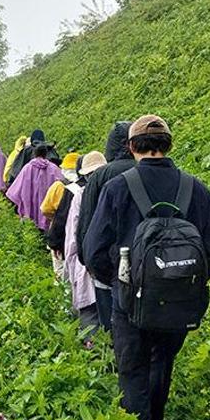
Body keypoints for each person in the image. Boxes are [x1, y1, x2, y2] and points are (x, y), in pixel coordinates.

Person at [84, 115, 210, 420]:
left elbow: (93, 251)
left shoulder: (117, 188)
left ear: (131, 147)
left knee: (132, 373)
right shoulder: (197, 190)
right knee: (162, 365)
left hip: (129, 303)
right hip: (179, 303)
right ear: (168, 145)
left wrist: (120, 283)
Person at [77, 120, 136, 329]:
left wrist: (89, 261)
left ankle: (113, 359)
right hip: (147, 266)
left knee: (112, 328)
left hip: (109, 267)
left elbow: (87, 223)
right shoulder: (147, 170)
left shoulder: (100, 176)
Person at [63, 151, 108, 346]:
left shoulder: (81, 195)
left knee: (90, 317)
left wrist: (69, 269)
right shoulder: (117, 189)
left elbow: (72, 237)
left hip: (86, 264)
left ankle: (93, 359)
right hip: (112, 268)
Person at [6, 144, 64, 231]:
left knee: (30, 230)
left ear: (34, 154)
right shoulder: (54, 168)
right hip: (46, 210)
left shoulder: (27, 168)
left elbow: (16, 189)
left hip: (29, 207)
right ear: (46, 154)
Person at [41, 152, 80, 281]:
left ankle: (62, 296)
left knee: (60, 270)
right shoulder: (85, 186)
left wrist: (53, 217)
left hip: (59, 233)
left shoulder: (58, 185)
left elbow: (45, 208)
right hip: (78, 234)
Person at [40, 152, 80, 220]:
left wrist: (55, 218)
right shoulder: (88, 184)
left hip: (62, 224)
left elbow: (45, 209)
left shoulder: (58, 186)